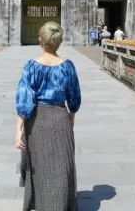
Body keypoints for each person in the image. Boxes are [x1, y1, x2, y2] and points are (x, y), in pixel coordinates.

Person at [15, 21, 81, 211]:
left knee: (40, 165)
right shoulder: (68, 66)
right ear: (59, 42)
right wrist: (71, 116)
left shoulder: (31, 66)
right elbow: (74, 99)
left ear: (40, 41)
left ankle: (40, 203)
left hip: (37, 120)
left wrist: (18, 129)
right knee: (62, 167)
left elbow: (24, 101)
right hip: (61, 117)